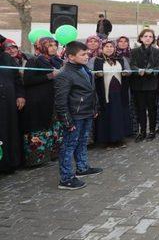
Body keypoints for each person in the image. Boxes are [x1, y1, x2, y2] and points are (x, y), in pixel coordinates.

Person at [54, 41, 102, 190]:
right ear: (71, 56)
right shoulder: (64, 74)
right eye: (83, 54)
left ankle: (82, 168)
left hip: (86, 112)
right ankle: (66, 178)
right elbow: (60, 101)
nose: (87, 56)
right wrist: (67, 120)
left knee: (82, 142)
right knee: (69, 146)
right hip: (74, 115)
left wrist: (94, 108)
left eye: (87, 53)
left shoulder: (84, 69)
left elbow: (90, 91)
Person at [20, 38, 64, 167]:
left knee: (54, 127)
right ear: (41, 47)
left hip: (54, 100)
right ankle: (37, 159)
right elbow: (28, 80)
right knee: (38, 129)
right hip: (38, 101)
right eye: (49, 45)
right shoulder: (34, 61)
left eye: (55, 45)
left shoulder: (57, 61)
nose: (53, 48)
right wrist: (50, 76)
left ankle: (53, 154)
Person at [92, 40, 132, 147]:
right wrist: (96, 75)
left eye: (111, 46)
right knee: (106, 115)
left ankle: (118, 139)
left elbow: (129, 71)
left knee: (118, 114)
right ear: (102, 48)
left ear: (114, 48)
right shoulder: (97, 60)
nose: (109, 48)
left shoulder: (120, 59)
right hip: (104, 93)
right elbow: (89, 73)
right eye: (106, 46)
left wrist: (126, 73)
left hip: (118, 92)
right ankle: (106, 140)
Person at [129, 29, 159, 142]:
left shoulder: (157, 52)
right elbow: (131, 65)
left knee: (152, 109)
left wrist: (152, 71)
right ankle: (142, 131)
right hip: (138, 85)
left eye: (150, 36)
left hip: (151, 85)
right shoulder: (133, 51)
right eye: (145, 36)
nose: (148, 38)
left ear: (153, 39)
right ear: (141, 38)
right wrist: (138, 70)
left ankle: (152, 131)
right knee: (140, 109)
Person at [0, 35, 25, 174]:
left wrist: (20, 95)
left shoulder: (7, 58)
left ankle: (8, 164)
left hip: (8, 104)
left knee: (7, 133)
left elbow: (17, 79)